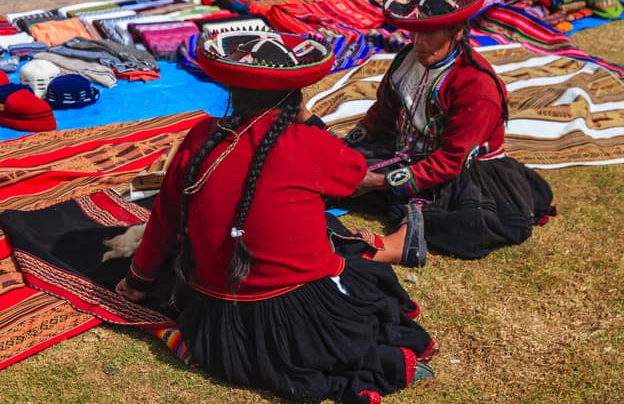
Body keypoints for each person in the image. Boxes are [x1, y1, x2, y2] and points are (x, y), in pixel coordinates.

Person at [115, 30, 436, 404]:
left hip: (215, 328)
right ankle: (395, 250)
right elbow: (354, 170)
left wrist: (138, 281)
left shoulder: (200, 135)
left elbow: (165, 222)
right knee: (358, 265)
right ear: (295, 96)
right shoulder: (308, 143)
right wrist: (310, 120)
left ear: (233, 90)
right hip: (295, 323)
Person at [342, 0, 556, 260]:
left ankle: (405, 239)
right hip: (409, 151)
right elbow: (380, 118)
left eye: (430, 33)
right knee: (339, 171)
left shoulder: (477, 86)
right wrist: (343, 149)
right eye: (414, 32)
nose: (418, 41)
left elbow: (451, 161)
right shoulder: (407, 61)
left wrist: (378, 182)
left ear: (457, 32)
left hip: (466, 172)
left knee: (460, 216)